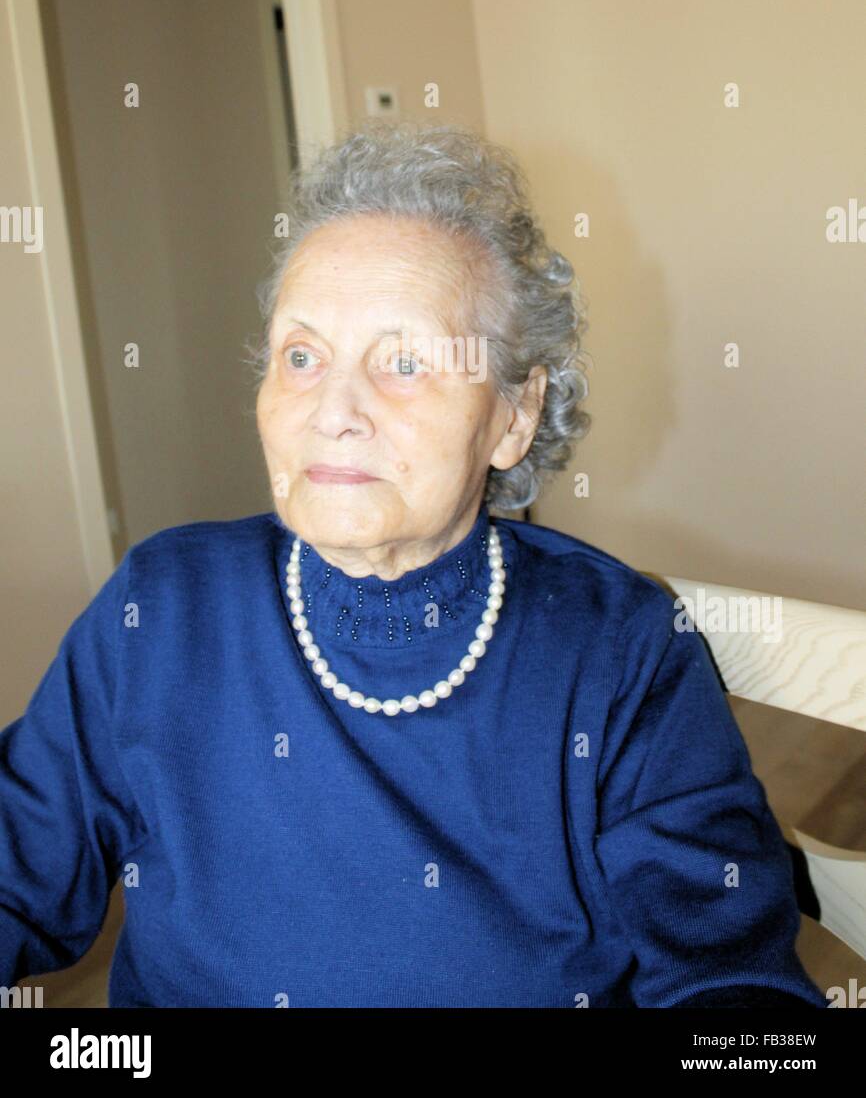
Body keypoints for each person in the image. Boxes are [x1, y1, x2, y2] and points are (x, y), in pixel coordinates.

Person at [0, 123, 827, 1008]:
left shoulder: (619, 650)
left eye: (403, 362)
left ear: (513, 415)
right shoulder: (161, 612)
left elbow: (736, 998)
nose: (335, 411)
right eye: (303, 356)